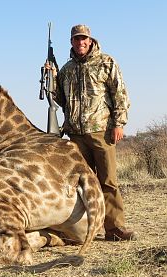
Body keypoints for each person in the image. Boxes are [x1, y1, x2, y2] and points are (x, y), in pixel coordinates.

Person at [49, 24, 137, 241]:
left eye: (84, 39)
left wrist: (119, 123)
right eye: (76, 39)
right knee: (80, 184)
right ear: (72, 42)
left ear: (90, 40)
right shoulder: (66, 70)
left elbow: (120, 94)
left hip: (101, 132)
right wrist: (51, 77)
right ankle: (82, 230)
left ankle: (114, 228)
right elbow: (60, 100)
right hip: (76, 135)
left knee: (108, 181)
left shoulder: (106, 62)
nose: (80, 43)